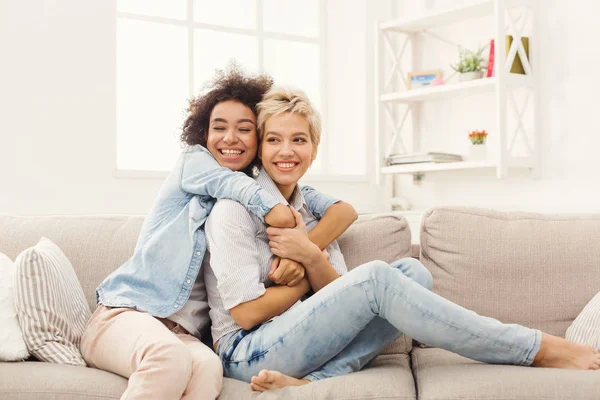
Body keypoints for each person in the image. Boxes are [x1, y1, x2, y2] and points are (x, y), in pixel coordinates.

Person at [204, 86, 600, 393]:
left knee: (413, 272)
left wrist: (309, 253)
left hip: (296, 340)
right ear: (259, 146)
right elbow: (246, 315)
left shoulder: (310, 209)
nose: (286, 151)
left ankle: (322, 377)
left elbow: (338, 295)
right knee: (376, 279)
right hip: (246, 351)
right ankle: (535, 348)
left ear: (315, 148)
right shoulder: (233, 210)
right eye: (273, 140)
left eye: (299, 140)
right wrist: (309, 270)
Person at [79, 66, 358, 400]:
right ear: (203, 133)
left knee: (208, 371)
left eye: (244, 129)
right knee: (167, 359)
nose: (230, 138)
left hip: (183, 334)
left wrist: (304, 255)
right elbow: (255, 199)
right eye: (219, 127)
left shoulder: (268, 187)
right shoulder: (195, 165)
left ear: (257, 139)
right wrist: (286, 234)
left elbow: (342, 210)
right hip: (125, 315)